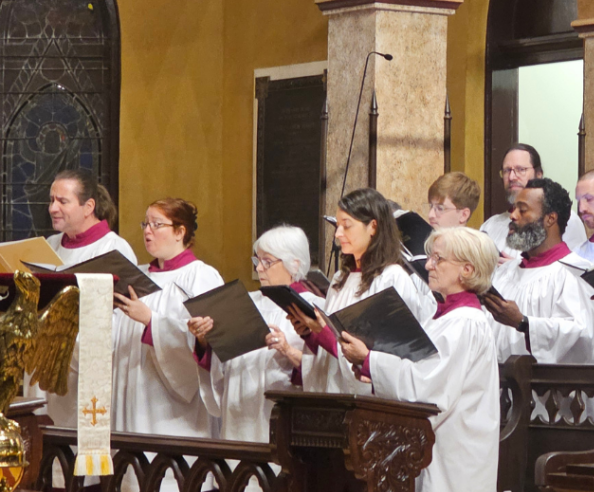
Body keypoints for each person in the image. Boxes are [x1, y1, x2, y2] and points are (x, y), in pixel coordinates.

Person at [338, 227, 499, 492]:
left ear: (467, 270)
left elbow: (427, 388)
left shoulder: (465, 323)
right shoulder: (444, 317)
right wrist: (373, 371)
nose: (428, 265)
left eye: (438, 259)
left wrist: (370, 361)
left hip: (454, 454)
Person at [287, 188, 436, 394]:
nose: (338, 234)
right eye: (338, 225)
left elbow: (392, 356)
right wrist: (310, 334)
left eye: (346, 225)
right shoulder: (340, 278)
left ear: (373, 226)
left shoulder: (392, 278)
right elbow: (328, 361)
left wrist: (324, 333)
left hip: (366, 398)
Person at [190, 225, 323, 442]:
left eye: (267, 262)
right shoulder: (243, 302)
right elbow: (220, 362)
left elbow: (324, 372)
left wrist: (287, 350)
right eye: (257, 260)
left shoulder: (314, 308)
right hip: (237, 411)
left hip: (279, 416)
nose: (259, 268)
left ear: (294, 264)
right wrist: (204, 340)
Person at [111, 198, 224, 438]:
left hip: (173, 409)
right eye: (145, 224)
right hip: (132, 392)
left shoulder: (201, 276)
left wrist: (151, 321)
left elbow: (209, 342)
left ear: (180, 232)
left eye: (157, 224)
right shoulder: (135, 276)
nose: (147, 231)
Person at [40, 169, 138, 428]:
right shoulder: (50, 246)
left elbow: (123, 318)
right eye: (51, 200)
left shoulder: (113, 248)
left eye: (62, 201)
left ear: (89, 207)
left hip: (88, 369)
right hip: (46, 362)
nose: (53, 208)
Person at [483, 178, 594, 364]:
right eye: (514, 209)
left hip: (552, 382)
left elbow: (580, 335)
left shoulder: (579, 273)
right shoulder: (505, 272)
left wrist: (523, 323)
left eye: (522, 210)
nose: (513, 216)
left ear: (550, 219)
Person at [480, 144, 586, 259]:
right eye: (507, 170)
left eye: (521, 169)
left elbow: (575, 265)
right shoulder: (490, 225)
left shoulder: (564, 220)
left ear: (538, 174)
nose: (511, 177)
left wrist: (518, 267)